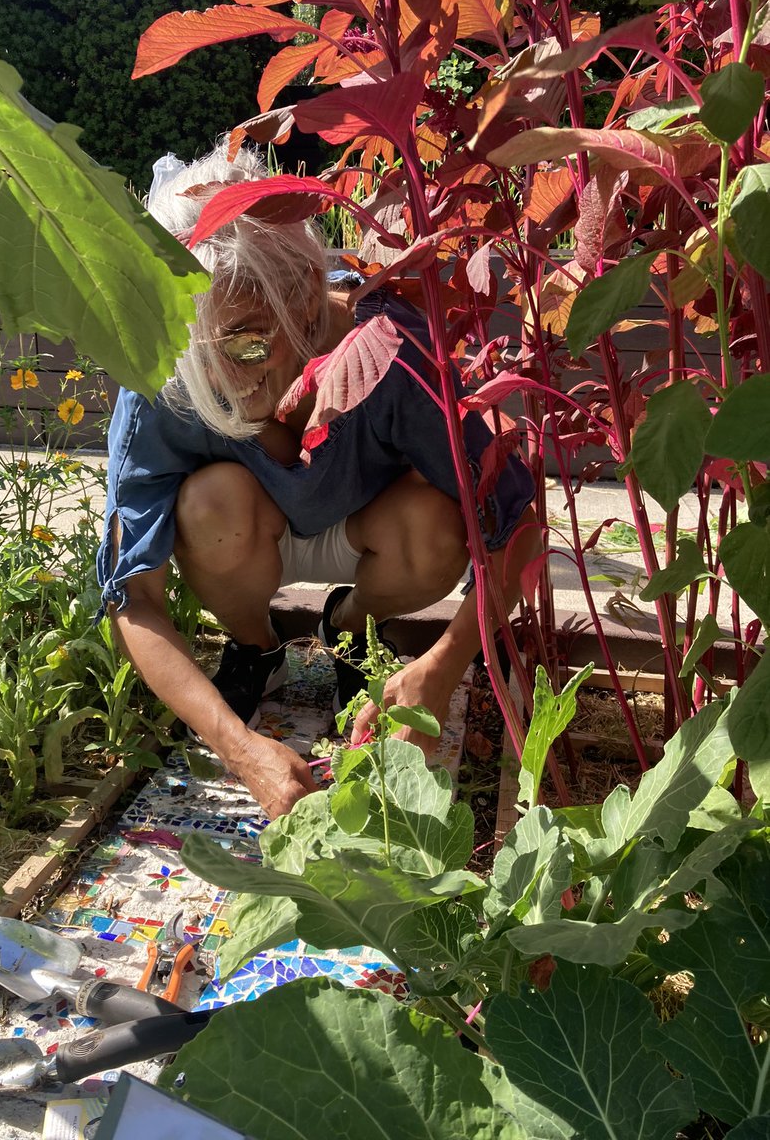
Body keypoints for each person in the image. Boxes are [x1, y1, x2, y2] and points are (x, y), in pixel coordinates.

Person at [97, 142, 539, 820]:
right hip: (245, 535)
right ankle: (256, 647)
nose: (221, 380)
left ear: (306, 291)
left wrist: (444, 664)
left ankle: (352, 629)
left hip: (370, 528)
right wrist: (240, 749)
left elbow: (517, 525)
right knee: (208, 502)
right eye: (196, 352)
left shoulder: (390, 350)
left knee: (439, 524)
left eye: (246, 343)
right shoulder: (162, 375)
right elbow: (133, 597)